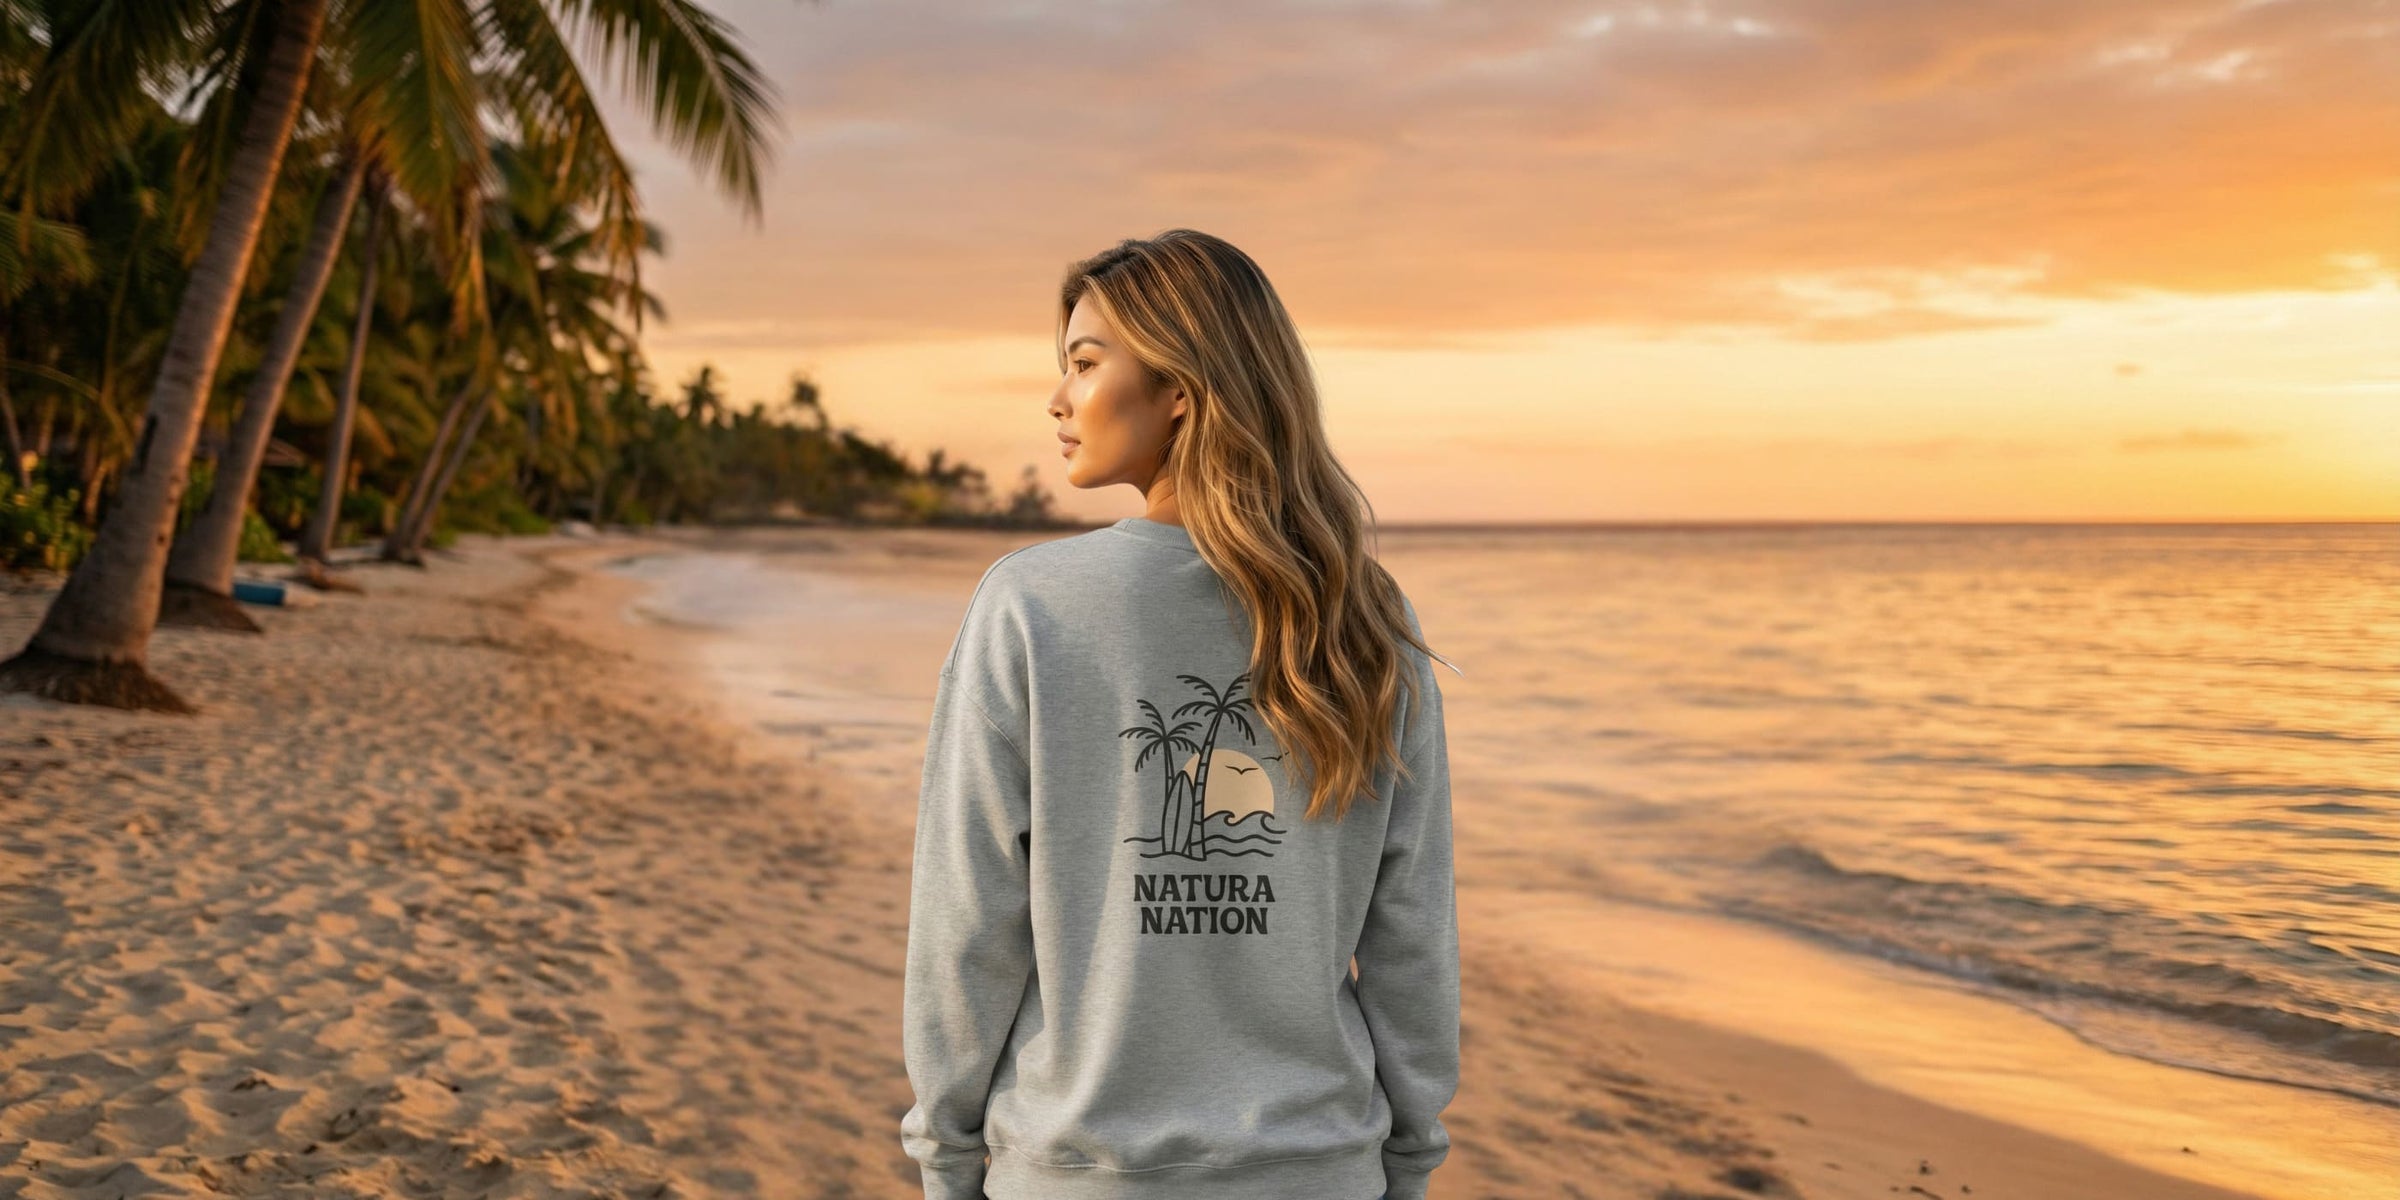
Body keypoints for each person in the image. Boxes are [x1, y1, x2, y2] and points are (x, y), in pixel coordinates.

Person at [898, 229, 1460, 1200]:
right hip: (1318, 1169)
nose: (1057, 399)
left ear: (1180, 392)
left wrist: (946, 1156)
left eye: (1084, 363)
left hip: (1081, 1173)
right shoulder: (1366, 615)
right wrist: (1406, 1157)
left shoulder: (1031, 607)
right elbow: (1410, 929)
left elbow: (967, 920)